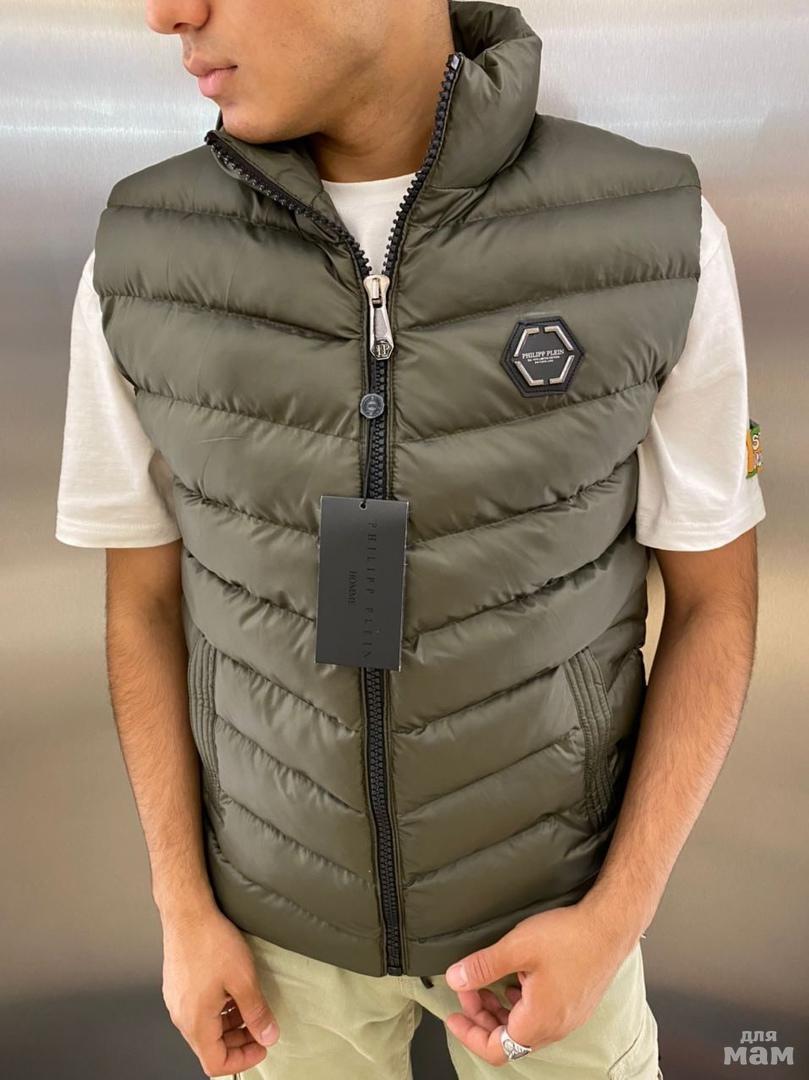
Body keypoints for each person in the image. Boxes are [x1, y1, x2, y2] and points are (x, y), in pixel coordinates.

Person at [55, 1, 765, 1077]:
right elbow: (143, 602)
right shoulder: (143, 253)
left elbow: (715, 599)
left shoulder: (652, 233)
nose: (167, 14)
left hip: (558, 928)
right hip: (270, 950)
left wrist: (614, 917)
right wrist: (181, 908)